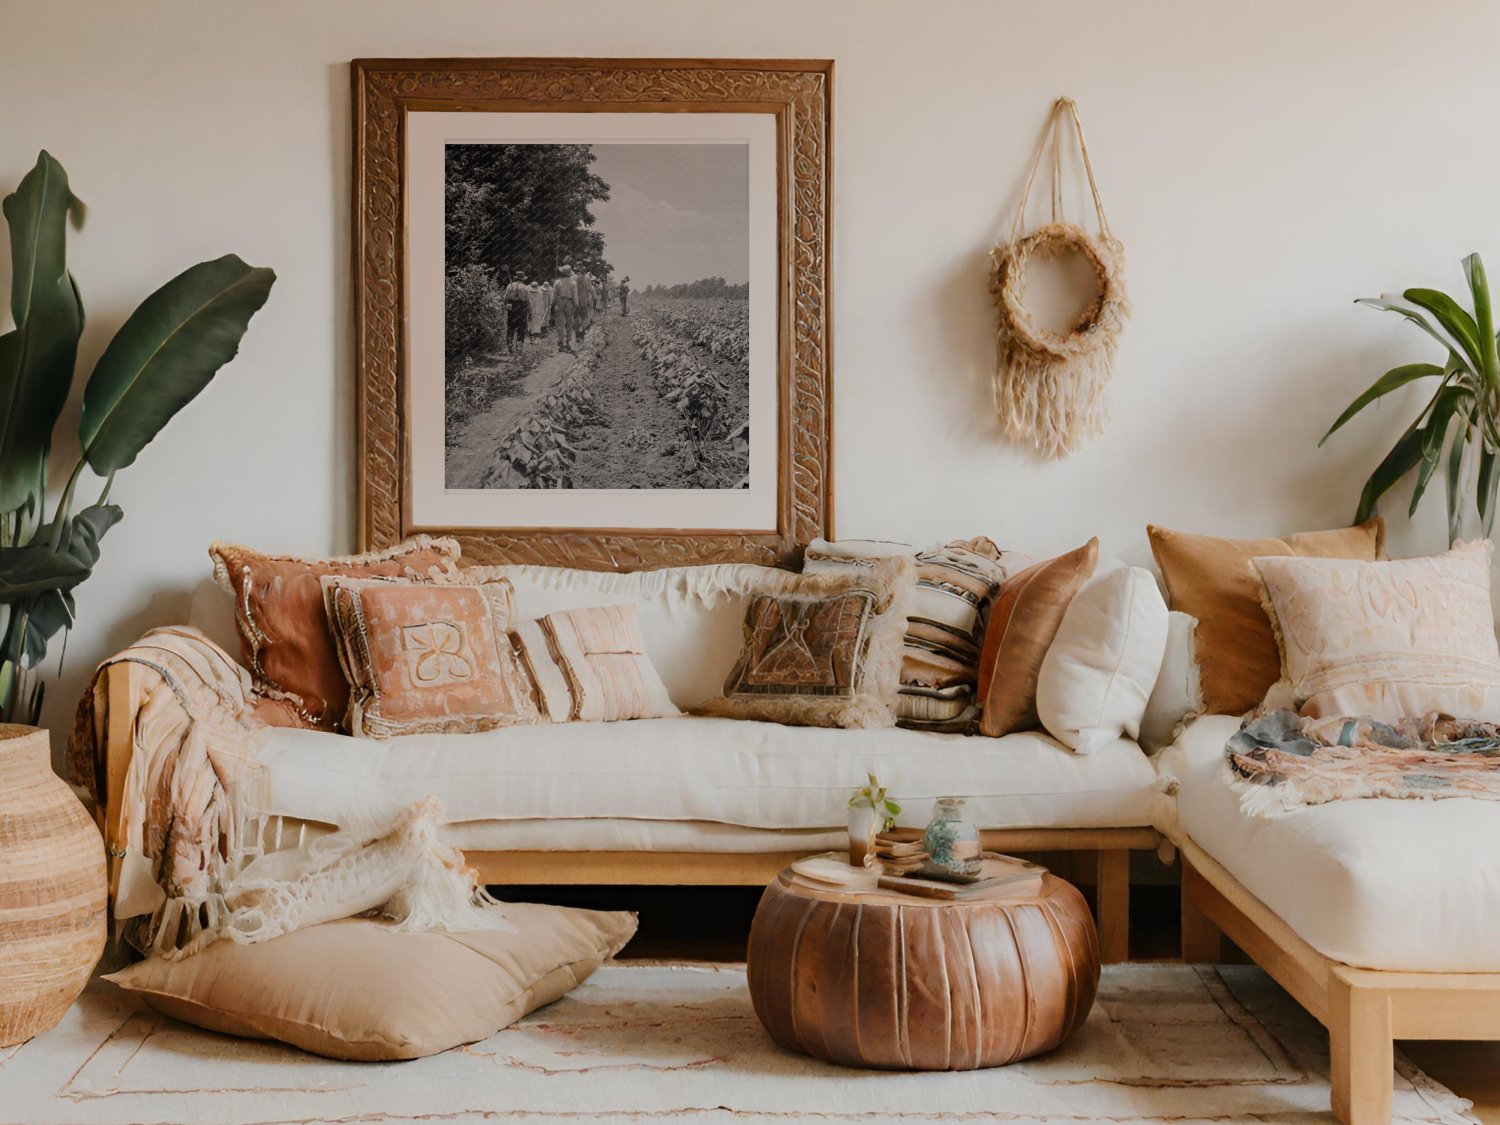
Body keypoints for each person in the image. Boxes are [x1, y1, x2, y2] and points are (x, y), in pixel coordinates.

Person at [502, 269, 530, 353]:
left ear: (516, 278)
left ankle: (510, 342)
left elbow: (505, 298)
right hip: (522, 308)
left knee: (510, 325)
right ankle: (519, 346)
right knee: (521, 327)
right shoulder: (525, 287)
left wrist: (506, 305)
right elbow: (528, 301)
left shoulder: (510, 286)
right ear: (523, 278)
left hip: (512, 307)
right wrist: (530, 312)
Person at [552, 264, 578, 352]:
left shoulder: (557, 282)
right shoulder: (573, 283)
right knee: (569, 323)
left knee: (560, 324)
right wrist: (576, 305)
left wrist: (552, 304)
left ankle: (561, 342)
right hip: (569, 302)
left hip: (559, 302)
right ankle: (568, 342)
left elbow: (554, 295)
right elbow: (575, 296)